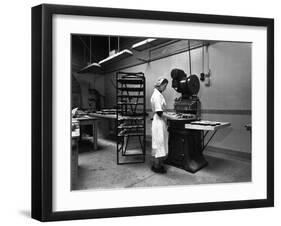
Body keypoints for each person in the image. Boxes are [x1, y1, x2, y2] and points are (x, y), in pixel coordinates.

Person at [150, 78, 169, 173]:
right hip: (158, 122)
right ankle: (156, 166)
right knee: (158, 144)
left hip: (161, 122)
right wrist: (172, 117)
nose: (165, 88)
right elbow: (159, 112)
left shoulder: (159, 94)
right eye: (164, 86)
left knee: (161, 143)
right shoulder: (156, 95)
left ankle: (159, 164)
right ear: (159, 85)